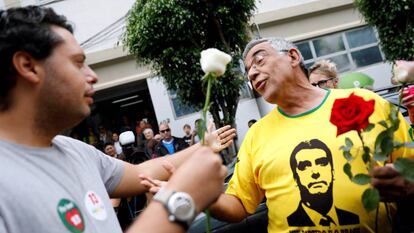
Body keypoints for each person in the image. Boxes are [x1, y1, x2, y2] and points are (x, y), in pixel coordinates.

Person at [0, 6, 236, 233]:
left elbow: (142, 172)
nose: (92, 76)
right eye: (78, 63)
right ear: (28, 66)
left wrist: (203, 147)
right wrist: (179, 202)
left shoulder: (77, 152)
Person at [205, 37, 414, 233]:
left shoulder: (367, 103)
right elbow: (239, 205)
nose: (251, 74)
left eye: (259, 60)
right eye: (249, 71)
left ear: (293, 57)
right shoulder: (256, 135)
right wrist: (198, 189)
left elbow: (409, 169)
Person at [287, 139, 359, 226]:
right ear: (295, 178)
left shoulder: (353, 219)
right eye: (305, 166)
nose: (315, 172)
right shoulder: (289, 222)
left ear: (333, 172)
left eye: (322, 163)